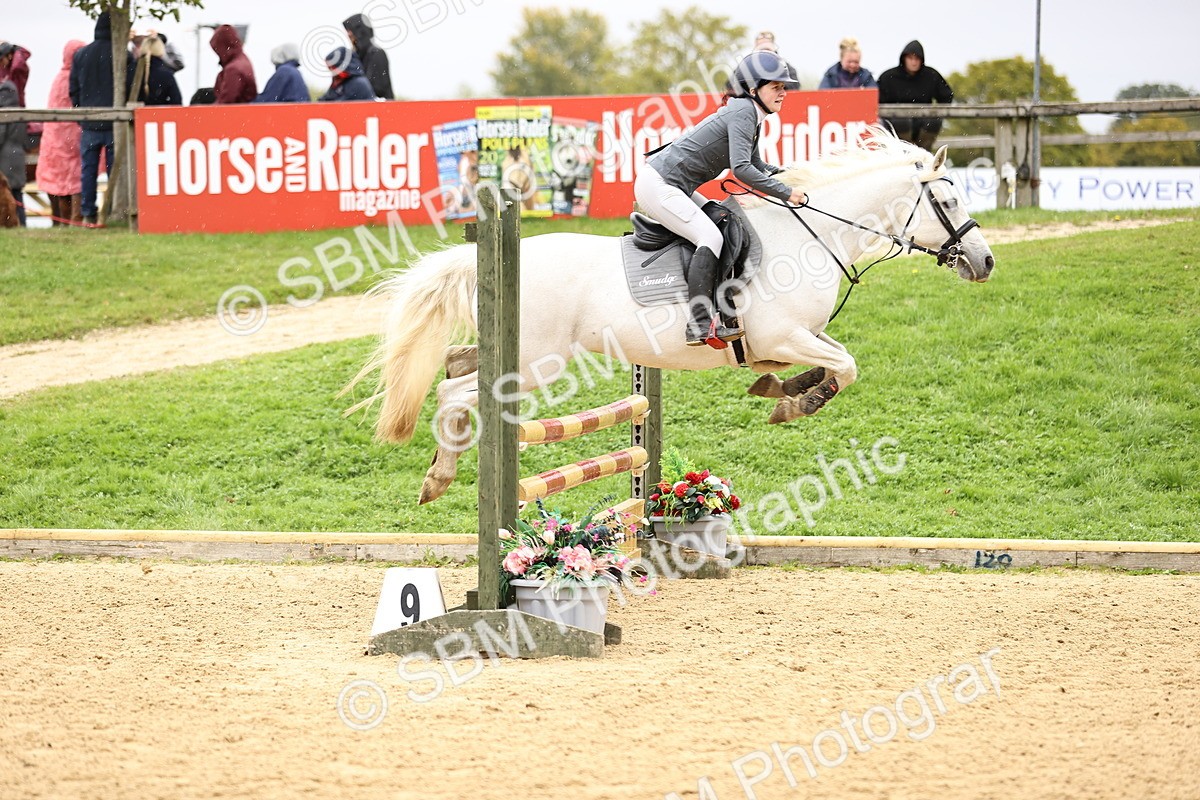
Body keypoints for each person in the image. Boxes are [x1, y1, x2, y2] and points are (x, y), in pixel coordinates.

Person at [634, 51, 806, 347]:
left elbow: (757, 165)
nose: (783, 93)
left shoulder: (751, 113)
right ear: (753, 89)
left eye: (784, 87)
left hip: (674, 186)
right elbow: (742, 170)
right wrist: (786, 192)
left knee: (723, 222)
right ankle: (699, 324)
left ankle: (721, 306)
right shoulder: (744, 112)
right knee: (710, 237)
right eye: (776, 86)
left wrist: (791, 174)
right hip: (659, 185)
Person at [70, 11, 133, 226]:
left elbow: (73, 88)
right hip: (115, 121)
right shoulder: (122, 54)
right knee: (115, 170)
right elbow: (130, 86)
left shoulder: (81, 55)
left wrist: (80, 113)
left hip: (89, 121)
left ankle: (88, 212)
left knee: (88, 171)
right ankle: (113, 210)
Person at [35, 40, 86, 226]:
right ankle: (75, 219)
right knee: (76, 179)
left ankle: (59, 221)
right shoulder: (79, 78)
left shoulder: (59, 79)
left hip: (54, 138)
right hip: (73, 136)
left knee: (57, 180)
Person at [876, 39, 953, 150]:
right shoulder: (888, 77)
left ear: (921, 60)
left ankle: (923, 152)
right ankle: (906, 151)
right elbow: (878, 101)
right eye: (910, 58)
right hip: (897, 125)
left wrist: (937, 112)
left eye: (917, 58)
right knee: (901, 120)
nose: (914, 62)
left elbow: (946, 95)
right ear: (904, 58)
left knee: (934, 121)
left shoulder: (931, 75)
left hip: (924, 122)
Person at [343, 14, 392, 99]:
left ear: (360, 31)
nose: (348, 34)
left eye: (350, 30)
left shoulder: (376, 53)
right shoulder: (355, 56)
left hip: (379, 105)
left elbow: (378, 88)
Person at [130, 35, 182, 106]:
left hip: (132, 112)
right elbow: (176, 102)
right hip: (160, 113)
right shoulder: (166, 75)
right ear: (161, 52)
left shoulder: (130, 71)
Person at [210, 24, 257, 103]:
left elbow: (226, 101)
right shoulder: (243, 60)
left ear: (222, 47)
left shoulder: (233, 69)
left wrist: (207, 110)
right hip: (246, 108)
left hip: (238, 110)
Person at [0, 80, 25, 225]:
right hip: (17, 158)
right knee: (17, 197)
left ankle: (13, 225)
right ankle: (22, 225)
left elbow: (0, 135)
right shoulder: (21, 112)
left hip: (6, 159)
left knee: (8, 197)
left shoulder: (4, 114)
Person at [0, 41, 30, 106]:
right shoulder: (3, 68)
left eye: (1, 60)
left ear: (9, 55)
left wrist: (16, 50)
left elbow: (18, 64)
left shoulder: (19, 69)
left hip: (17, 107)